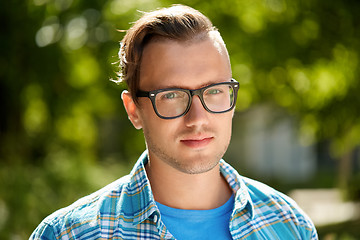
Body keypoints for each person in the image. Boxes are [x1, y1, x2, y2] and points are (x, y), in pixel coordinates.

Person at [30, 4, 318, 240]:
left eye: (214, 91)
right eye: (171, 96)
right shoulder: (68, 234)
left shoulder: (290, 225)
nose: (197, 118)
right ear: (133, 111)